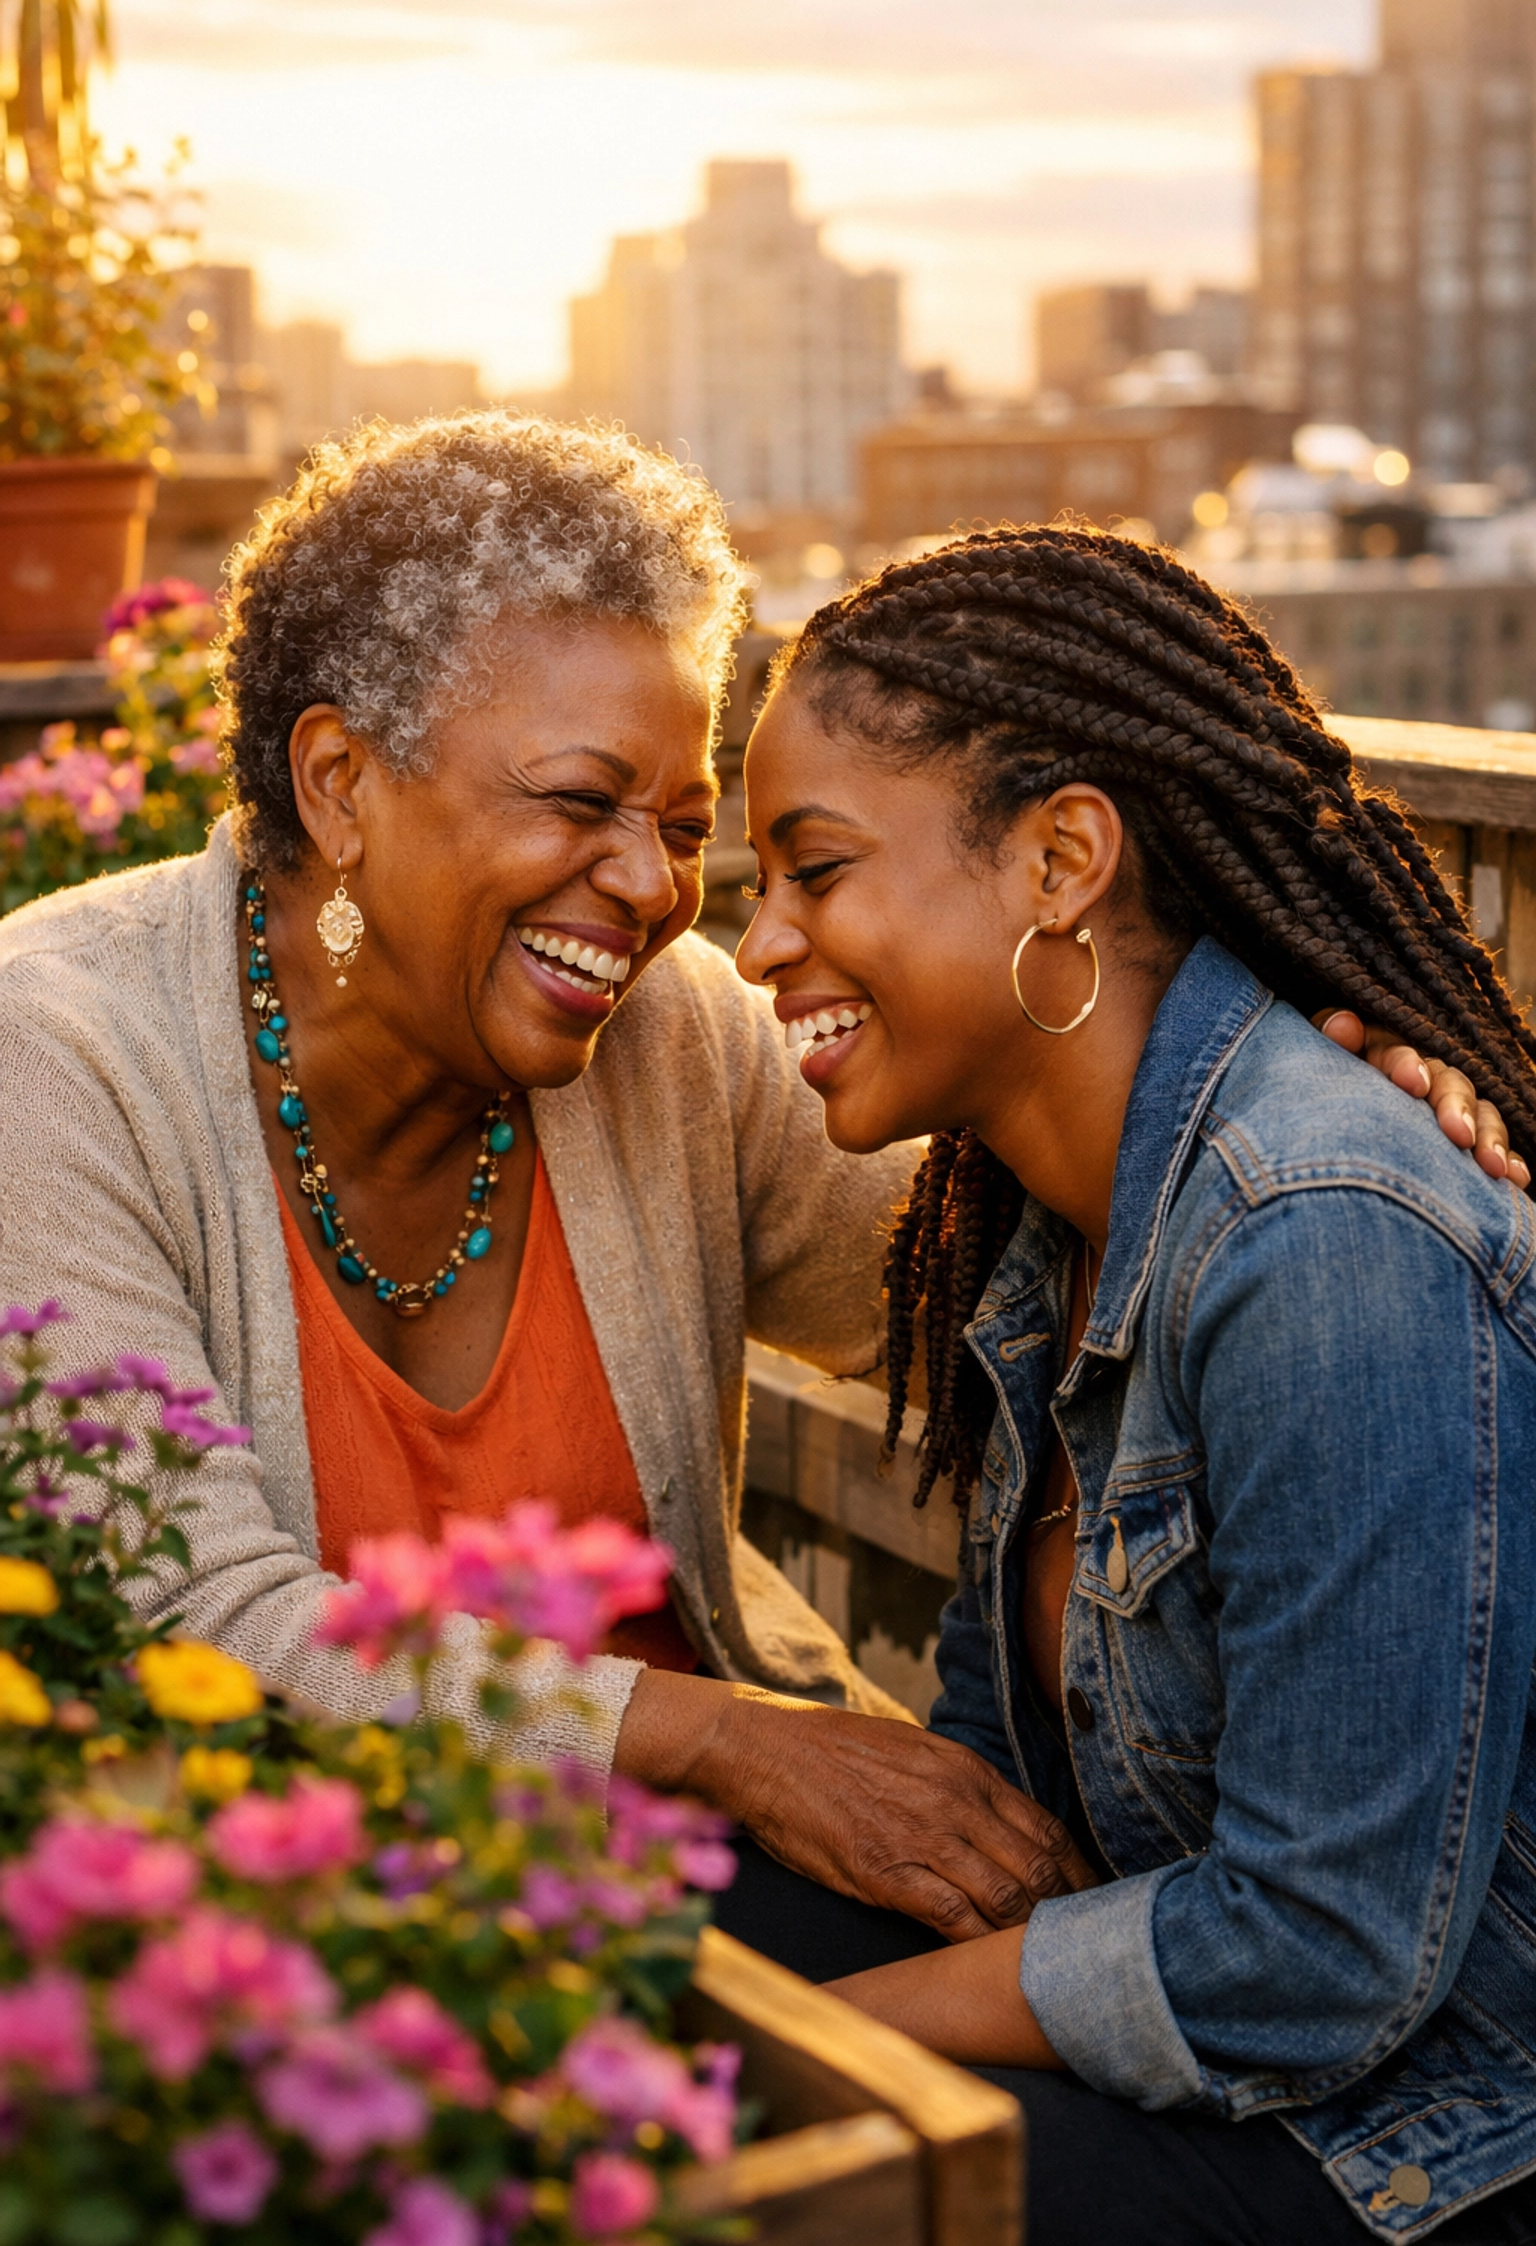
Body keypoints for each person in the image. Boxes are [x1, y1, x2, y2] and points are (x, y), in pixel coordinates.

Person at [0, 417, 1510, 1954]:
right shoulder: (62, 1057)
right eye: (583, 804)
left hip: (708, 1893)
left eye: (676, 827)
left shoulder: (666, 1035)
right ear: (339, 781)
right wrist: (718, 1736)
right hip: (291, 1925)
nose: (661, 893)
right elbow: (178, 1621)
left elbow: (1000, 1267)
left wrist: (1309, 1087)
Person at [732, 524, 1536, 2244]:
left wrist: (828, 2048)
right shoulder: (1038, 1227)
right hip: (1200, 2013)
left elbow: (1323, 1956)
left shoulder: (1319, 1236)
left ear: (1062, 858)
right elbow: (991, 1784)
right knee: (629, 1919)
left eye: (813, 870)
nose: (755, 945)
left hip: (1424, 2139)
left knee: (770, 2174)